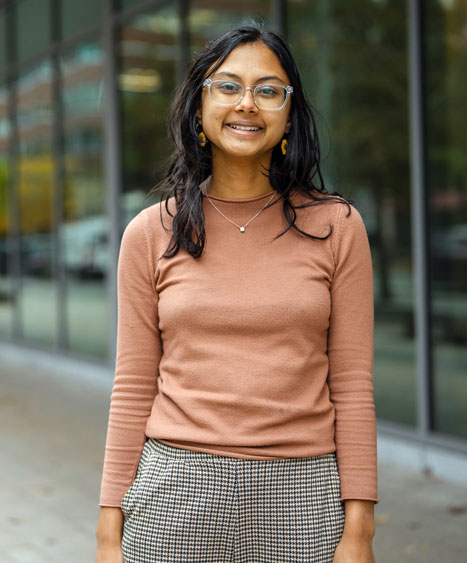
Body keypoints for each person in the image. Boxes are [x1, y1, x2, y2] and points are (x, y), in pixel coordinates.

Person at [94, 23, 377, 563]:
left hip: (304, 500)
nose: (247, 104)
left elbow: (353, 386)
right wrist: (109, 531)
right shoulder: (151, 233)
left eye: (269, 90)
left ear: (289, 114)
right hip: (175, 497)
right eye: (228, 86)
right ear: (199, 105)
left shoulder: (337, 226)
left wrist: (359, 529)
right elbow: (132, 387)